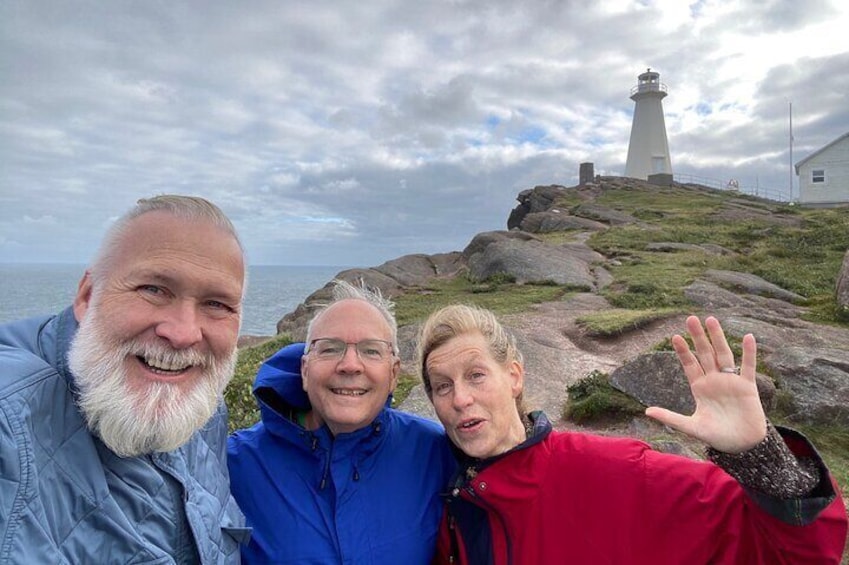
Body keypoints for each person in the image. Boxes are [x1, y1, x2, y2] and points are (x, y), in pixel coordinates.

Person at [417, 304, 849, 564]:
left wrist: (761, 457)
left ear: (514, 377)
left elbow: (798, 555)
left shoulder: (619, 471)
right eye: (442, 386)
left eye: (476, 376)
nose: (460, 399)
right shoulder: (450, 495)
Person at [0, 195, 249, 563]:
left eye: (217, 305)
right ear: (87, 296)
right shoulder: (11, 416)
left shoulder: (205, 405)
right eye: (153, 289)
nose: (182, 334)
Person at [228, 280, 456, 563]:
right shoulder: (235, 465)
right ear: (305, 369)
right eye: (330, 348)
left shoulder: (435, 452)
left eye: (371, 350)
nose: (350, 364)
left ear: (394, 374)